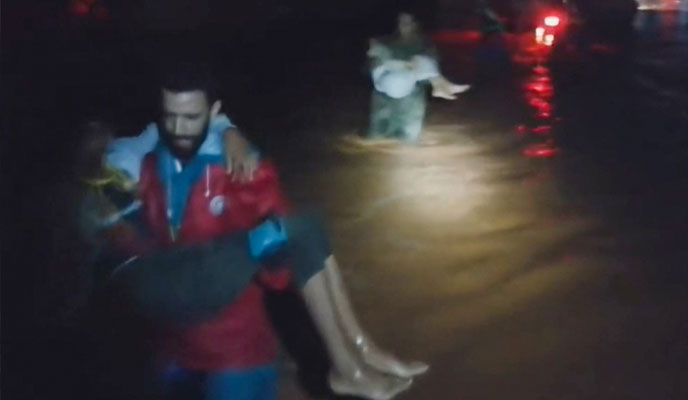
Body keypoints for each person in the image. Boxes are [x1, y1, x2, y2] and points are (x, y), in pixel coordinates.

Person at [82, 63, 427, 400]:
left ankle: (359, 349)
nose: (178, 128)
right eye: (170, 116)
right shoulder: (115, 164)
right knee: (292, 231)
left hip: (188, 271)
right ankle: (348, 366)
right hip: (159, 281)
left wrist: (227, 129)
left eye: (190, 117)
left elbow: (178, 125)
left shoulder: (145, 141)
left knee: (304, 227)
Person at [367, 12, 470, 142]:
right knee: (375, 137)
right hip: (384, 94)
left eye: (408, 22)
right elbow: (371, 66)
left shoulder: (424, 44)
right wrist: (394, 63)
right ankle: (441, 86)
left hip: (412, 93)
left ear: (415, 24)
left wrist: (412, 66)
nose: (403, 26)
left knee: (409, 139)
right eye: (401, 22)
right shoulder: (386, 41)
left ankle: (441, 86)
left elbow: (432, 63)